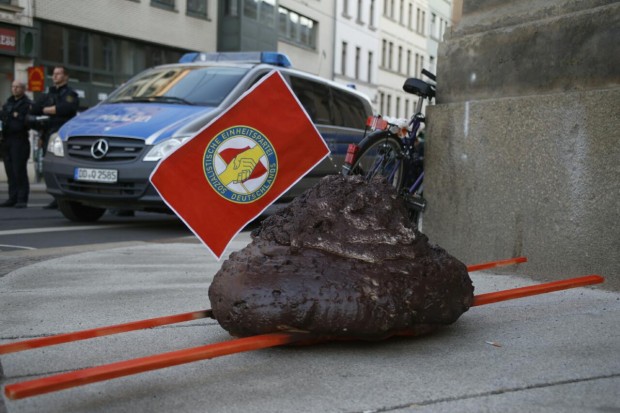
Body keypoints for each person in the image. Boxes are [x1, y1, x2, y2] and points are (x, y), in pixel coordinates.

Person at [30, 66, 79, 209]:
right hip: (47, 134)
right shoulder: (48, 94)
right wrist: (53, 109)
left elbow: (66, 108)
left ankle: (64, 198)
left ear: (66, 77)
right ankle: (56, 197)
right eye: (54, 74)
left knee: (61, 167)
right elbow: (34, 108)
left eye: (58, 74)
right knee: (50, 167)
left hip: (61, 135)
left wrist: (48, 109)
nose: (55, 76)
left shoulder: (70, 94)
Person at [0, 81, 32, 208]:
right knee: (10, 171)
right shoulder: (8, 103)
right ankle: (12, 197)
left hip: (19, 140)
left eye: (18, 87)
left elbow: (25, 122)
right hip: (7, 140)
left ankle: (22, 199)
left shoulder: (27, 104)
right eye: (13, 86)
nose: (15, 89)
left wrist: (16, 116)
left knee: (19, 170)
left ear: (23, 89)